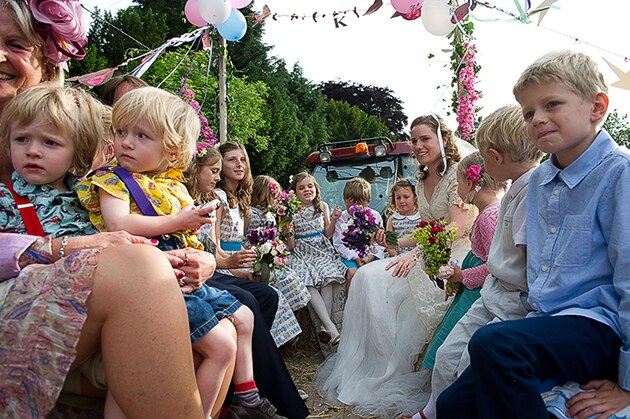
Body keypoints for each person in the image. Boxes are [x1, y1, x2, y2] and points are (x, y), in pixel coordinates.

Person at [0, 6, 206, 414]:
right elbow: (111, 239)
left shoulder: (79, 121)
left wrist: (200, 259)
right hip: (30, 277)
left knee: (197, 333)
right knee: (144, 277)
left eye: (14, 45)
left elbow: (119, 219)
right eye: (22, 140)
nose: (34, 150)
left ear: (47, 54)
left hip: (86, 289)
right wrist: (64, 248)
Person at [436, 50, 630, 419]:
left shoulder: (620, 173)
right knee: (451, 405)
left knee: (494, 344)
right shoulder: (539, 182)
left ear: (597, 106)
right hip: (547, 323)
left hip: (598, 326)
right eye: (528, 113)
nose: (537, 119)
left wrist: (627, 385)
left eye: (552, 104)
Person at [77, 87, 286, 419]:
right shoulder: (113, 180)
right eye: (121, 132)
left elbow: (190, 238)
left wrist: (200, 250)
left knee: (243, 318)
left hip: (178, 274)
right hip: (147, 280)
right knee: (219, 345)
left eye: (141, 135)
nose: (126, 142)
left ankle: (241, 397)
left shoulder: (171, 186)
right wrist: (179, 220)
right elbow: (118, 222)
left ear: (172, 151)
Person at [314, 114, 475, 417]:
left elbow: (456, 226)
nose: (417, 145)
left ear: (442, 138)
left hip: (454, 253)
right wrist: (394, 243)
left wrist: (415, 254)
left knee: (384, 283)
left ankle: (398, 371)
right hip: (426, 248)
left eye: (424, 138)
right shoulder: (421, 177)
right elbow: (425, 226)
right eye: (413, 140)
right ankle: (373, 366)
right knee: (364, 276)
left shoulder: (457, 175)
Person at [422, 104, 542, 419]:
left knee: (466, 369)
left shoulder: (534, 195)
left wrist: (463, 276)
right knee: (448, 357)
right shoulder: (515, 192)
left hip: (511, 303)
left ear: (495, 157)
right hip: (492, 295)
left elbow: (528, 265)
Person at [186, 147, 311, 419]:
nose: (219, 177)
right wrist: (230, 265)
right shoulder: (197, 200)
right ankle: (265, 394)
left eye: (240, 160)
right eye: (217, 169)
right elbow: (212, 254)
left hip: (217, 265)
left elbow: (216, 250)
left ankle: (246, 378)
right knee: (250, 301)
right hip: (204, 269)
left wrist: (237, 268)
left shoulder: (224, 199)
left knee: (269, 296)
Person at [213, 142, 302, 348]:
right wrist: (238, 268)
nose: (239, 165)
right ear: (220, 164)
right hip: (225, 264)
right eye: (232, 160)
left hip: (237, 260)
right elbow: (216, 245)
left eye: (243, 159)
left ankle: (262, 350)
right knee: (270, 295)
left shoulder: (237, 199)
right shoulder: (220, 198)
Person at [289, 172, 347, 346]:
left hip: (321, 250)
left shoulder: (322, 206)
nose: (307, 190)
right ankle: (330, 327)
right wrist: (288, 231)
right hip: (302, 252)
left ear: (316, 188)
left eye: (310, 186)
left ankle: (324, 326)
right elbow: (291, 246)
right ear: (295, 193)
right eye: (301, 188)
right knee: (308, 281)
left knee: (327, 278)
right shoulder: (292, 211)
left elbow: (327, 233)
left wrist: (335, 220)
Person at [246, 175, 311, 310]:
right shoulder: (250, 213)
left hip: (266, 255)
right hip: (253, 256)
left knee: (292, 277)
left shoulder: (270, 213)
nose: (277, 197)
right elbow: (243, 236)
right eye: (273, 193)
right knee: (286, 280)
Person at [331, 176, 386, 289]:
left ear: (368, 202)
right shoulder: (342, 218)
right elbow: (339, 243)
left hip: (371, 255)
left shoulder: (375, 216)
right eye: (350, 205)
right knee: (352, 274)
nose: (354, 209)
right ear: (344, 200)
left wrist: (371, 256)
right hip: (350, 256)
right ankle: (350, 303)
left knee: (373, 275)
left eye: (359, 206)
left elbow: (380, 242)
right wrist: (355, 257)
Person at [384, 178, 421, 257]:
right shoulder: (392, 219)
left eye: (406, 197)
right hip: (397, 258)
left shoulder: (421, 217)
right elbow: (389, 242)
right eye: (398, 198)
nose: (402, 201)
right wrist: (396, 256)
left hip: (417, 257)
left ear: (415, 197)